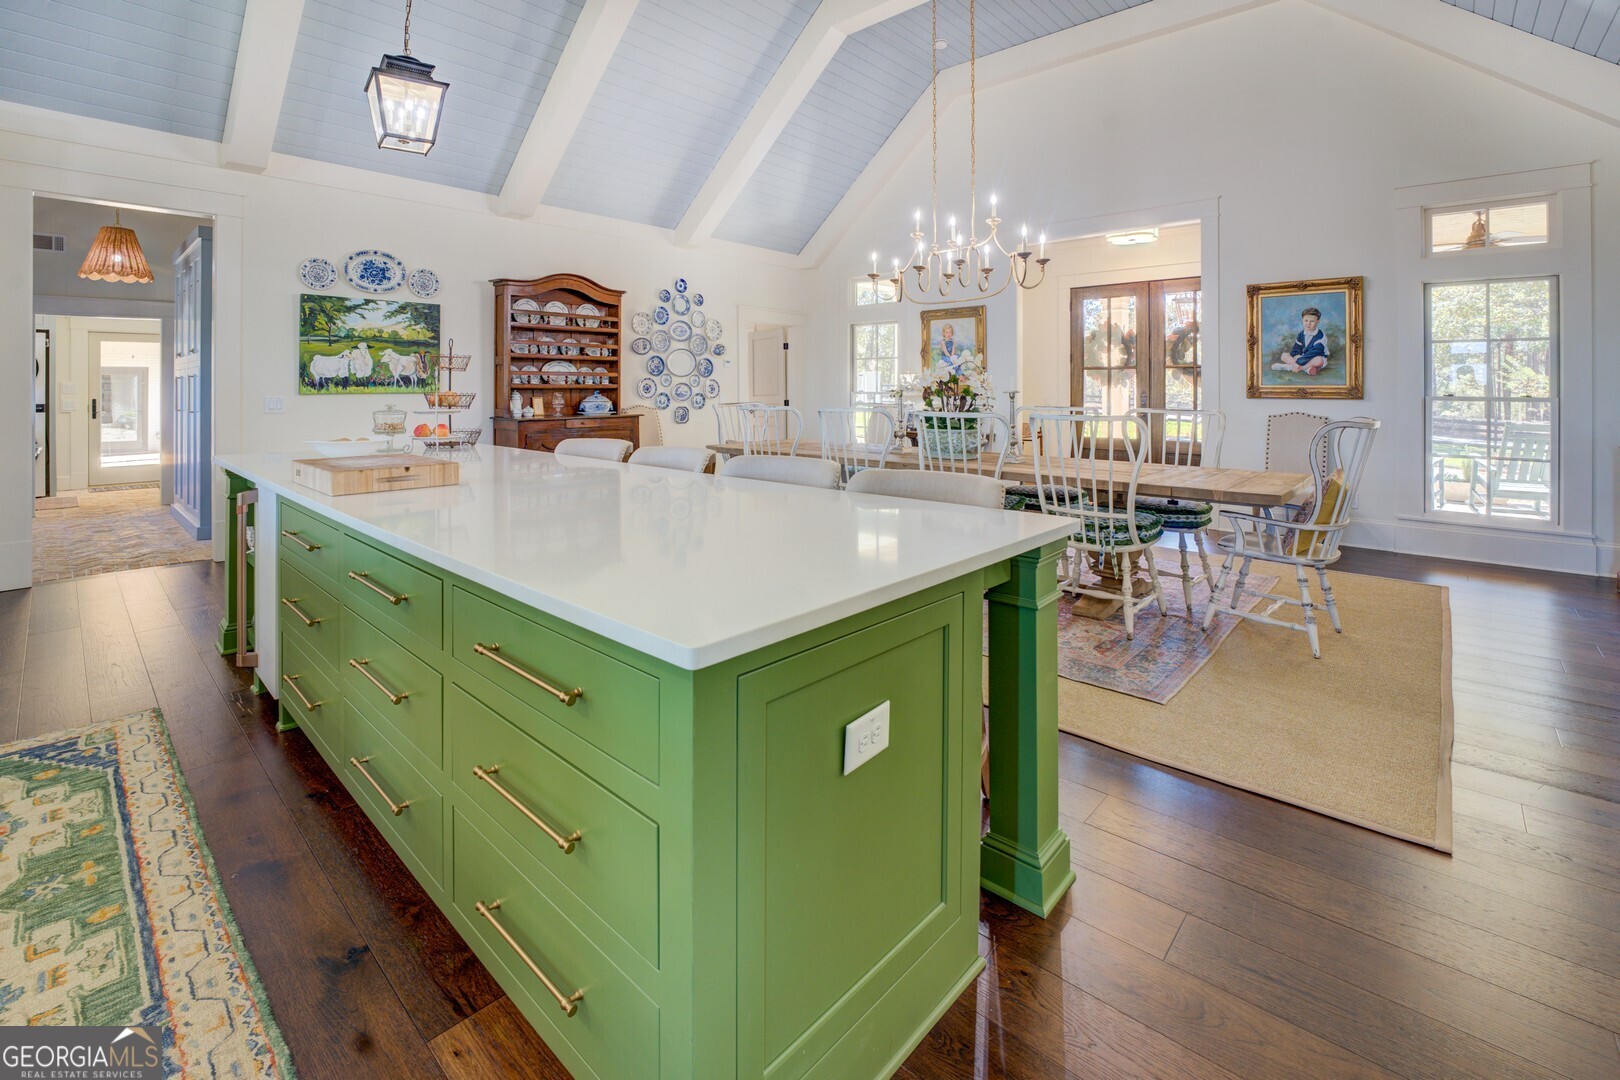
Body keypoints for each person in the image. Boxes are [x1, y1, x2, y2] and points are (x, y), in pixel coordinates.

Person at [1274, 307, 1329, 375]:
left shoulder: (1321, 336)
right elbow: (1296, 350)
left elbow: (1315, 353)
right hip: (1302, 358)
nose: (1308, 323)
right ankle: (1306, 369)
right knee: (1284, 355)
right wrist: (1297, 357)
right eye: (1306, 320)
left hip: (1314, 357)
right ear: (1302, 320)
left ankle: (1289, 367)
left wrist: (1299, 362)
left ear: (1318, 321)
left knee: (1319, 360)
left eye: (1312, 321)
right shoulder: (1301, 334)